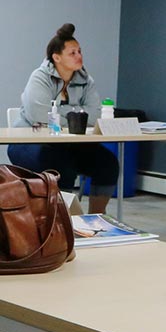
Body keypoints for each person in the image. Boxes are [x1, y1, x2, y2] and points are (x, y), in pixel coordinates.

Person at [8, 23, 119, 214]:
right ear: (56, 57)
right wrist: (77, 114)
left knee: (107, 163)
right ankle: (63, 221)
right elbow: (39, 116)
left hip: (67, 142)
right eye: (72, 53)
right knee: (62, 167)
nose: (79, 56)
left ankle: (96, 218)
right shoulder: (40, 78)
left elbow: (95, 114)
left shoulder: (85, 80)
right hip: (28, 142)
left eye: (80, 51)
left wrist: (59, 111)